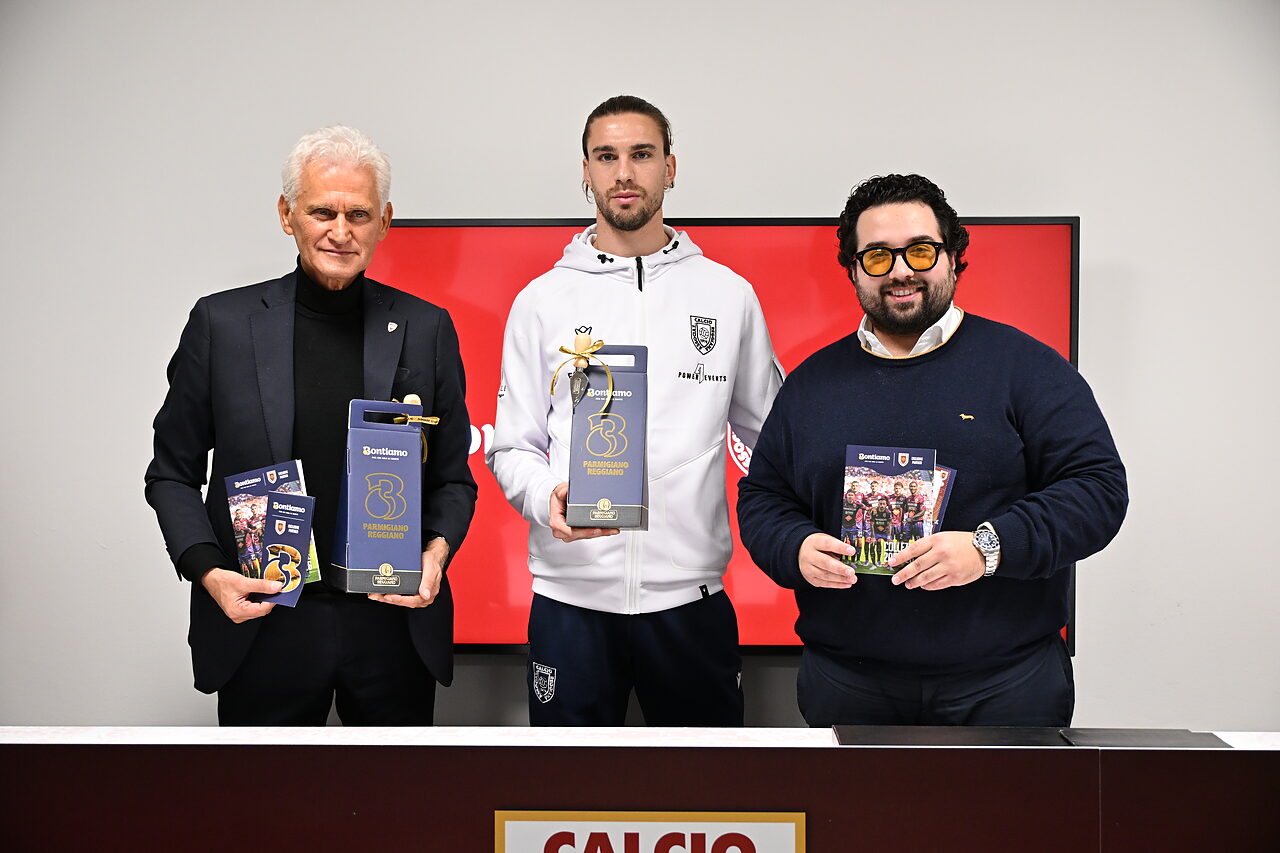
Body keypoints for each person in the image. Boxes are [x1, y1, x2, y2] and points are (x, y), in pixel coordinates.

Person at [737, 173, 1127, 727]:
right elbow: (764, 497)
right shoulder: (811, 383)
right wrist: (793, 546)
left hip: (1007, 685)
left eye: (920, 251)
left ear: (953, 257)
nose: (900, 271)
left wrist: (989, 548)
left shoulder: (1027, 368)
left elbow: (1097, 490)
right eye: (877, 256)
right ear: (853, 269)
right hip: (846, 684)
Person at [145, 126, 477, 725]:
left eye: (359, 214)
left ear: (384, 221)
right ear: (287, 215)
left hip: (391, 619)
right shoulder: (221, 325)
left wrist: (436, 554)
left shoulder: (426, 328)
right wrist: (209, 572)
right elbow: (171, 474)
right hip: (265, 616)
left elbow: (454, 479)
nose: (340, 231)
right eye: (323, 212)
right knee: (264, 790)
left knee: (396, 789)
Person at [487, 95, 784, 726]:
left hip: (691, 602)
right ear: (586, 171)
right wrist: (544, 498)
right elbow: (512, 446)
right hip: (569, 600)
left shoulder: (727, 296)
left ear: (670, 168)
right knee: (567, 784)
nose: (624, 173)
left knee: (704, 784)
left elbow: (773, 441)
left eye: (642, 155)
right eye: (606, 157)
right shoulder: (541, 300)